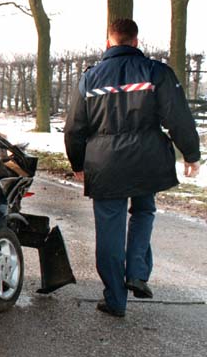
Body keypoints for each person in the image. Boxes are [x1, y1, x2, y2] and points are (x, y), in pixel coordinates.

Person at [64, 18, 201, 318]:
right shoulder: (155, 72)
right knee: (143, 211)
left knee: (109, 230)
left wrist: (77, 163)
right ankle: (137, 270)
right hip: (146, 161)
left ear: (109, 41)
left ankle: (115, 299)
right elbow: (177, 116)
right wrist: (192, 155)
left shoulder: (89, 80)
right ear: (136, 42)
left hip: (105, 165)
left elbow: (74, 127)